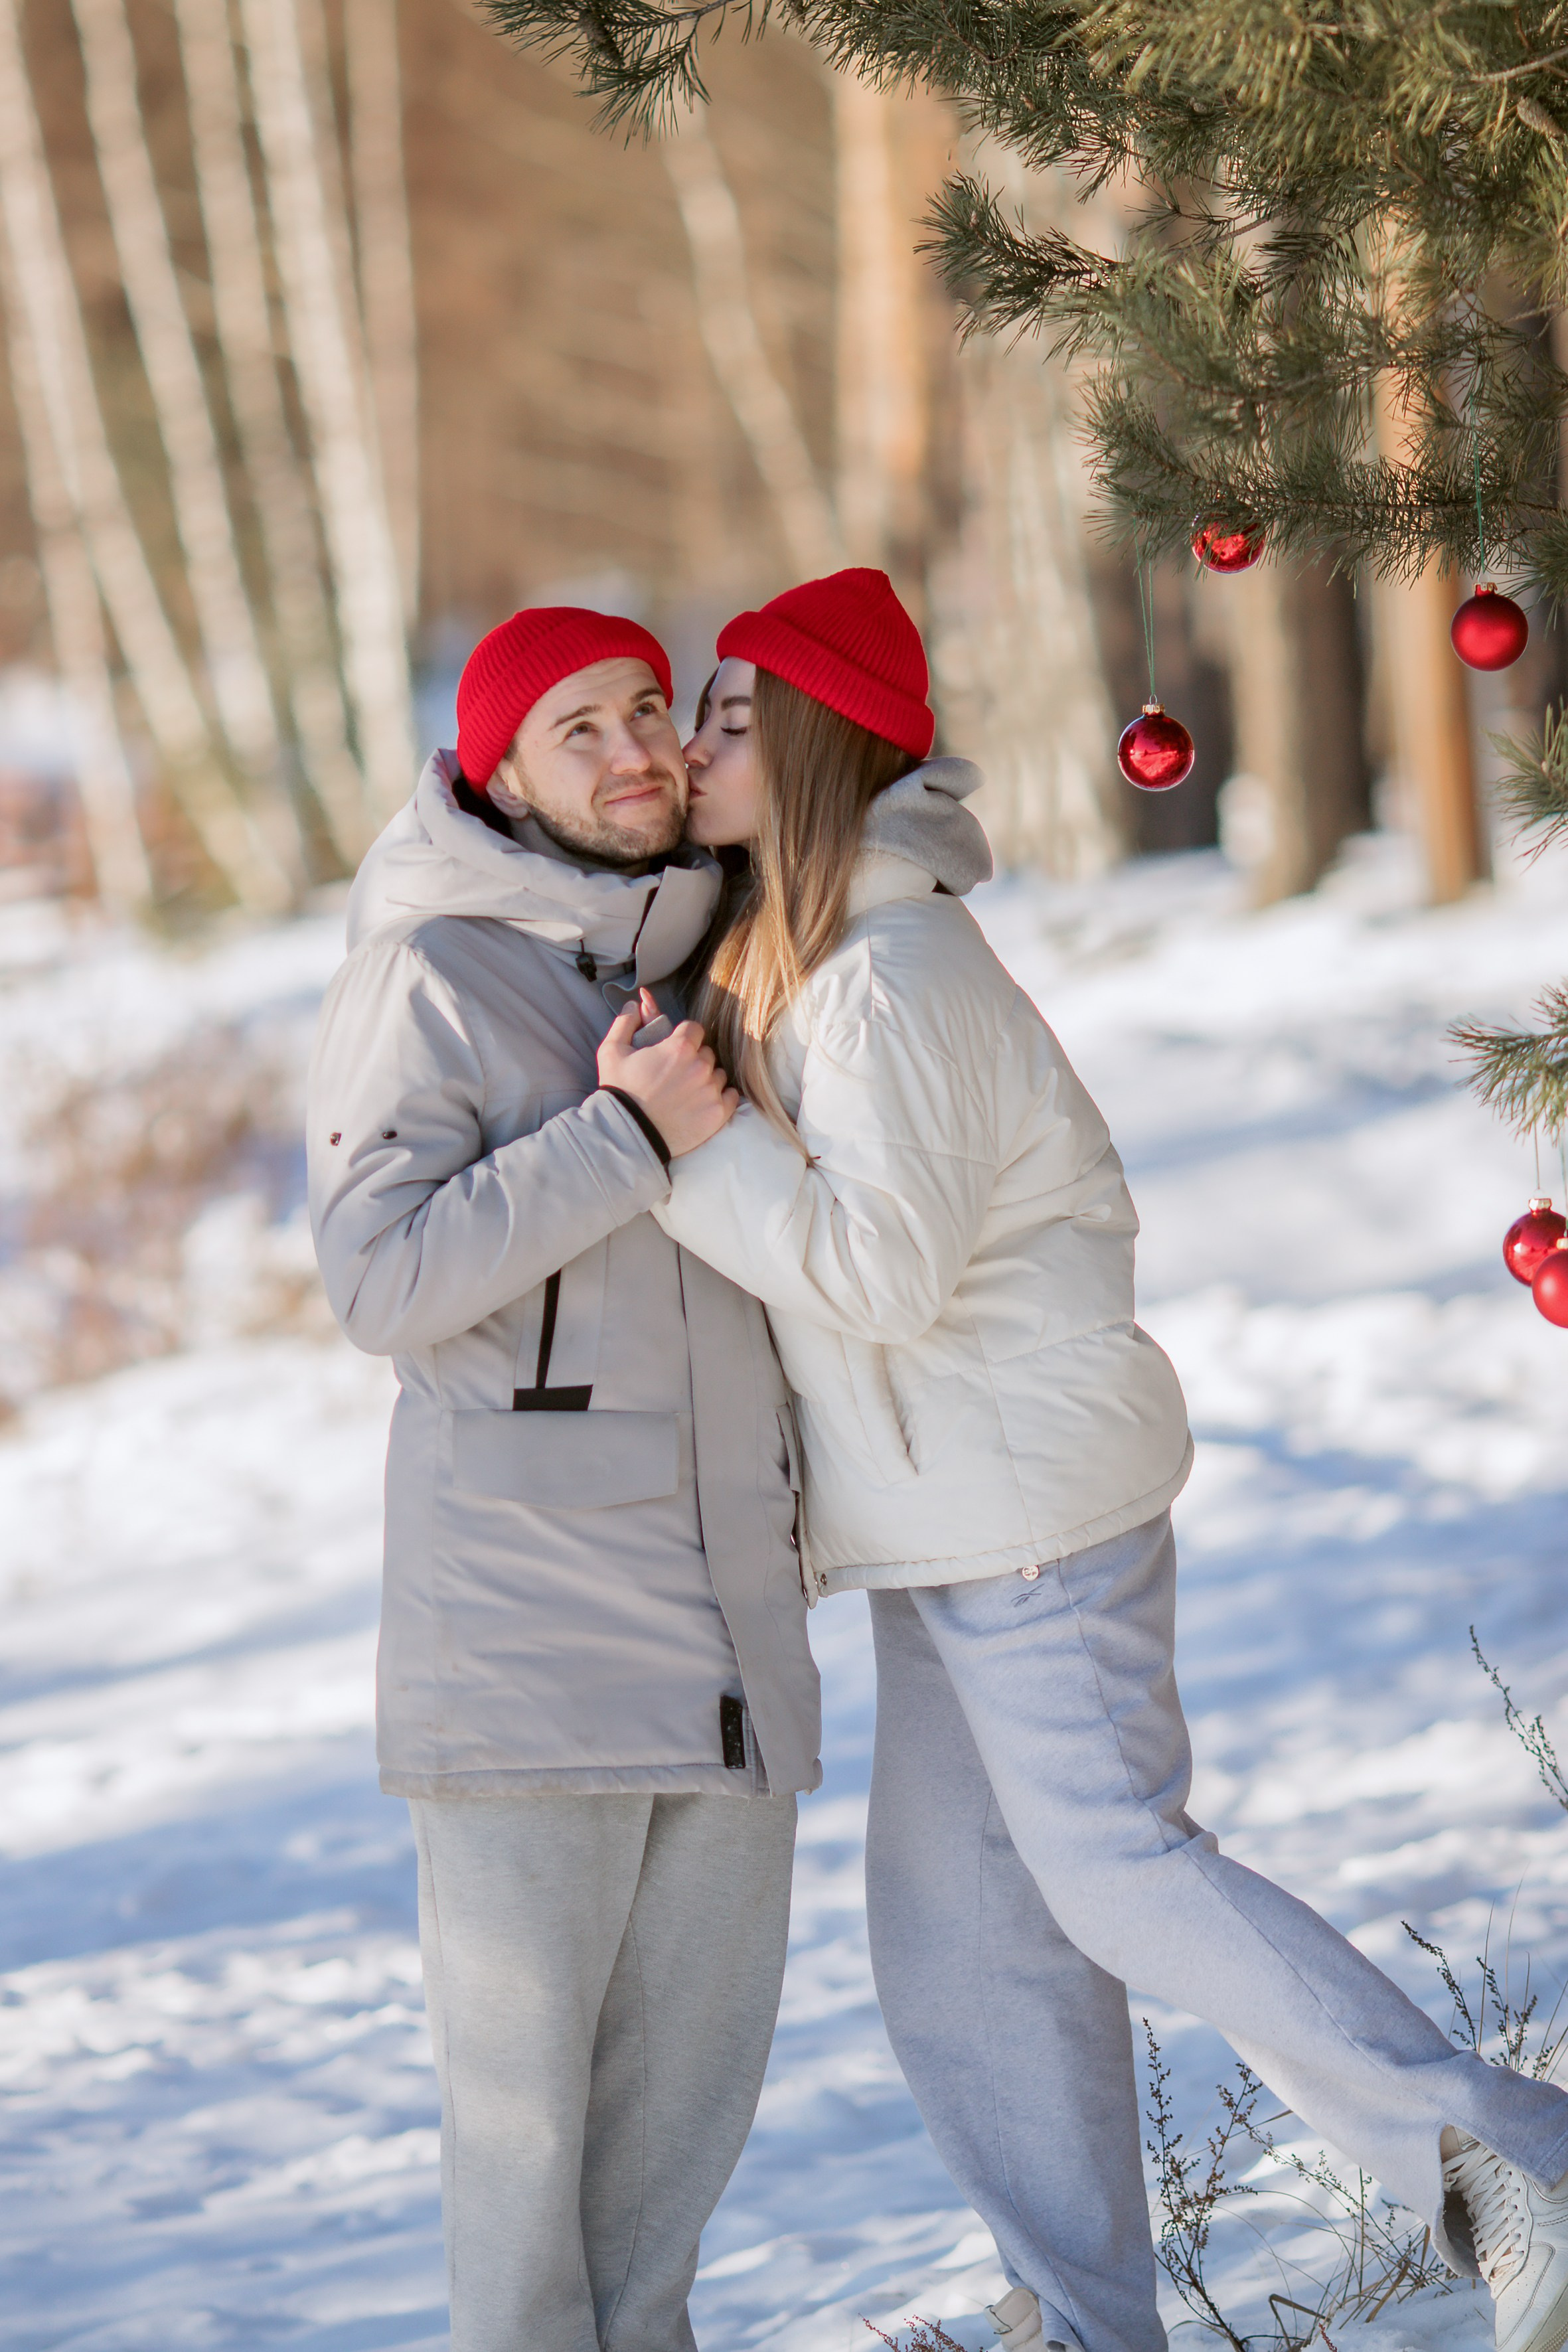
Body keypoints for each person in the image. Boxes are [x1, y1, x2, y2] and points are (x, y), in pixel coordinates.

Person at [598, 566, 1568, 2352]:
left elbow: (877, 1275)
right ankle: (1077, 2315)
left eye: (733, 716)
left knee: (1114, 1869)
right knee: (966, 1951)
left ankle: (1503, 2160)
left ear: (809, 748)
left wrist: (688, 1146)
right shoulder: (821, 960)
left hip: (1025, 1513)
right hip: (947, 1519)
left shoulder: (892, 979)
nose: (698, 743)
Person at [306, 605, 820, 2352]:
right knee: (528, 2189)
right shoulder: (436, 974)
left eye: (651, 710)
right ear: (496, 772)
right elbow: (381, 1282)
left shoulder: (718, 960)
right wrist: (618, 1140)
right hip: (526, 1652)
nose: (635, 752)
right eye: (578, 729)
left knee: (669, 2175)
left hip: (727, 1645)